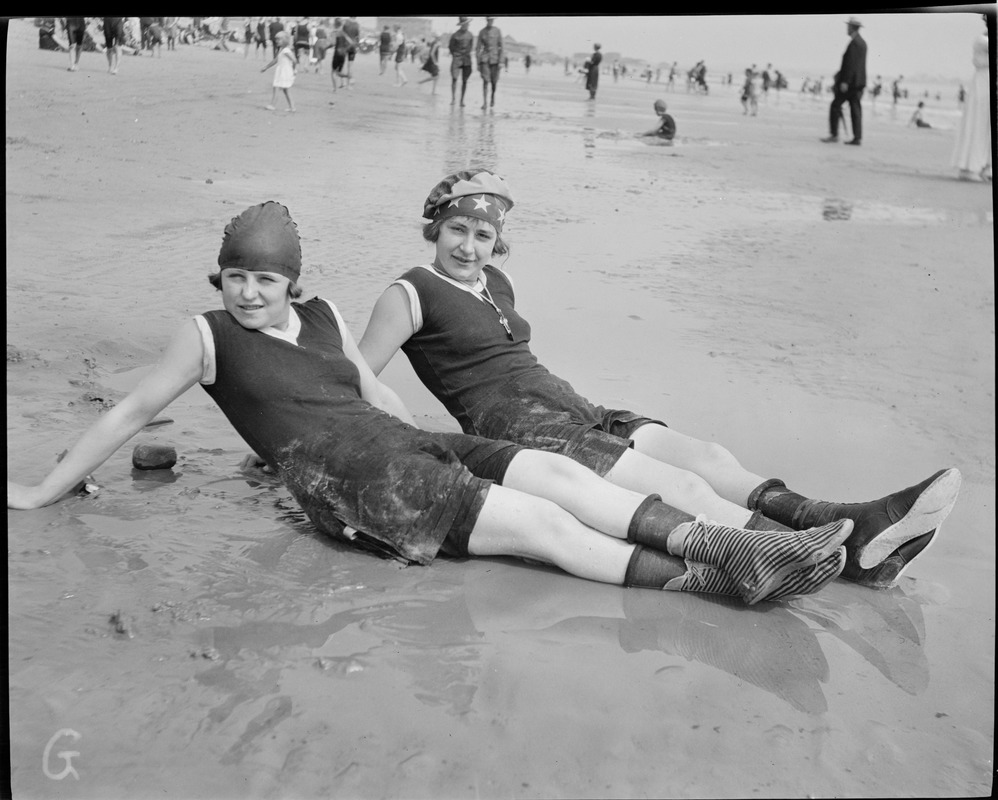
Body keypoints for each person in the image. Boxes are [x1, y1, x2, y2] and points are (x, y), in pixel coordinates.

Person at [6, 201, 856, 606]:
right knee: (542, 526)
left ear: (291, 283)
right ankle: (716, 579)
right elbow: (126, 414)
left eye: (265, 280)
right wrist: (44, 490)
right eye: (237, 279)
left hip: (395, 446)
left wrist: (443, 445)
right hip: (355, 483)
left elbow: (376, 394)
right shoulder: (203, 336)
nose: (250, 295)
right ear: (219, 278)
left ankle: (739, 546)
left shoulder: (324, 313)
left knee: (555, 473)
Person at [357, 169, 963, 590]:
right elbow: (356, 373)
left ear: (498, 241)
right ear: (434, 228)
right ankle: (814, 553)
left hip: (570, 404)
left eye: (482, 235)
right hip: (519, 426)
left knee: (707, 455)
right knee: (684, 487)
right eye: (456, 230)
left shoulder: (495, 283)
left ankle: (846, 527)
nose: (468, 246)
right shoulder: (410, 291)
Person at [951, 20, 992, 182]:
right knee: (979, 123)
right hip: (984, 82)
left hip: (986, 81)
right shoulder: (983, 41)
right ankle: (971, 166)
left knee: (986, 125)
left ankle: (985, 165)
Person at [821, 17, 867, 145]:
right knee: (856, 110)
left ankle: (834, 135)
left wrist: (845, 81)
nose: (847, 29)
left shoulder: (854, 43)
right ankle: (857, 138)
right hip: (858, 83)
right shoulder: (862, 43)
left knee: (835, 106)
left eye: (848, 26)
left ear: (852, 27)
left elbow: (850, 65)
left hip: (850, 84)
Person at [261, 31, 295, 112]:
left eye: (279, 40)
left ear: (284, 40)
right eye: (276, 39)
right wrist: (266, 67)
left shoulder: (286, 50)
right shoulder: (282, 50)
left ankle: (272, 105)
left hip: (284, 71)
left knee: (276, 87)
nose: (276, 41)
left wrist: (293, 69)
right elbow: (276, 60)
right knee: (286, 89)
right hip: (283, 70)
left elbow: (294, 60)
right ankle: (292, 107)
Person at [476, 16, 503, 110]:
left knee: (494, 82)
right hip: (485, 59)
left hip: (495, 60)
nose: (490, 21)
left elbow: (501, 47)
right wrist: (478, 62)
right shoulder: (482, 32)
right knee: (485, 80)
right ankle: (485, 102)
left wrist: (501, 61)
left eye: (491, 20)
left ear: (493, 20)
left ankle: (492, 97)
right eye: (488, 20)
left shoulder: (497, 31)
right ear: (486, 20)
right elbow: (478, 48)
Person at [449, 16, 474, 106]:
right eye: (465, 24)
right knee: (454, 78)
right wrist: (456, 55)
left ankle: (462, 100)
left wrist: (466, 55)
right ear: (461, 25)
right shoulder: (455, 35)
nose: (467, 25)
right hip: (457, 58)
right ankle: (453, 99)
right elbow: (451, 47)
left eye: (467, 24)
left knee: (465, 80)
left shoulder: (470, 35)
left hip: (466, 59)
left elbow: (471, 47)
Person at [342, 16, 360, 88]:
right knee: (350, 66)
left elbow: (342, 33)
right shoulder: (357, 25)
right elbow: (358, 37)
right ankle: (349, 85)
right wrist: (357, 45)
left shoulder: (345, 23)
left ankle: (343, 82)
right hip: (353, 46)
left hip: (344, 45)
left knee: (342, 64)